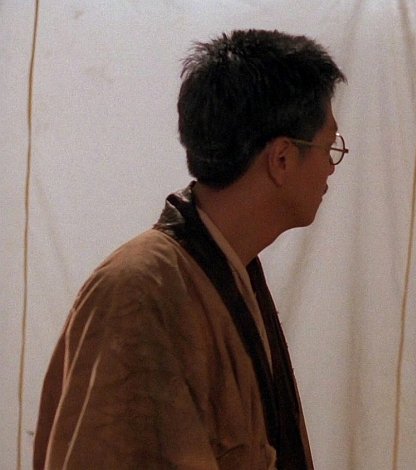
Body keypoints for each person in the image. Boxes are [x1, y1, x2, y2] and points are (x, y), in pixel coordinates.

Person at [33, 29, 346, 469]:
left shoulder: (230, 270)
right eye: (329, 147)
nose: (331, 167)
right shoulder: (139, 289)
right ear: (281, 159)